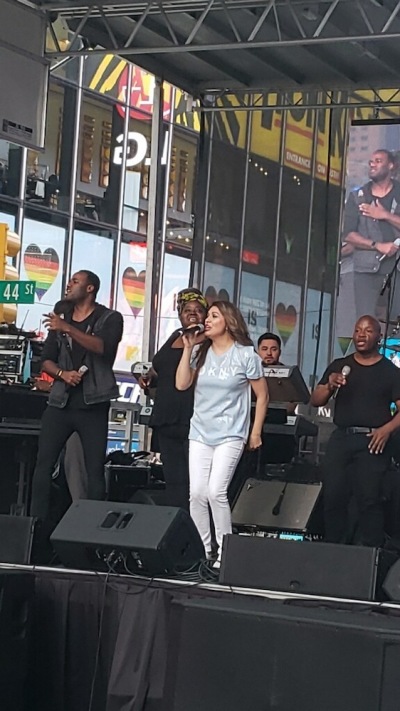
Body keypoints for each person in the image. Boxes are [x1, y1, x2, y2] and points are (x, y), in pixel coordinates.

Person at [176, 301, 269, 563]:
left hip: (231, 433)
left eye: (214, 316)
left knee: (216, 491)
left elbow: (262, 396)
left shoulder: (245, 355)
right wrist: (187, 348)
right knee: (196, 493)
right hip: (200, 432)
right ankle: (203, 550)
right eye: (208, 316)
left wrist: (255, 432)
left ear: (227, 321)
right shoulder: (200, 353)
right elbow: (182, 384)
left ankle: (225, 552)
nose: (206, 320)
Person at [30, 270, 123, 526]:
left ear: (90, 288)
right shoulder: (61, 318)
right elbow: (46, 360)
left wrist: (67, 328)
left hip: (93, 404)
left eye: (75, 281)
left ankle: (92, 529)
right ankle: (36, 528)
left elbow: (103, 348)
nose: (68, 285)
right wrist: (62, 374)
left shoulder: (109, 318)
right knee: (43, 465)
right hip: (61, 402)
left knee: (93, 470)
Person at [310, 315, 400, 547]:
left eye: (368, 330)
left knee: (369, 499)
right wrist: (329, 385)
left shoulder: (390, 371)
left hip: (372, 439)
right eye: (358, 330)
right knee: (333, 496)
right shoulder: (340, 365)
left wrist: (387, 429)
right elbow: (316, 400)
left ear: (379, 337)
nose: (361, 335)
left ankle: (370, 554)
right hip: (342, 438)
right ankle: (333, 549)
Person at [139, 288, 208, 510]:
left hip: (193, 416)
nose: (193, 313)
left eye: (198, 310)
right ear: (179, 313)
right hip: (167, 415)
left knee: (193, 481)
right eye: (187, 309)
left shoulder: (208, 341)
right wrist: (150, 377)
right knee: (174, 479)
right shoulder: (174, 337)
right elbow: (164, 369)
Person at [343, 149, 400, 322]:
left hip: (397, 269)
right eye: (370, 162)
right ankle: (369, 350)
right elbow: (349, 234)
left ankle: (392, 350)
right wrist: (377, 245)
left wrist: (384, 215)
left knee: (396, 324)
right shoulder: (357, 196)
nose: (372, 164)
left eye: (377, 160)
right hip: (366, 270)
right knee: (365, 322)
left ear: (390, 165)